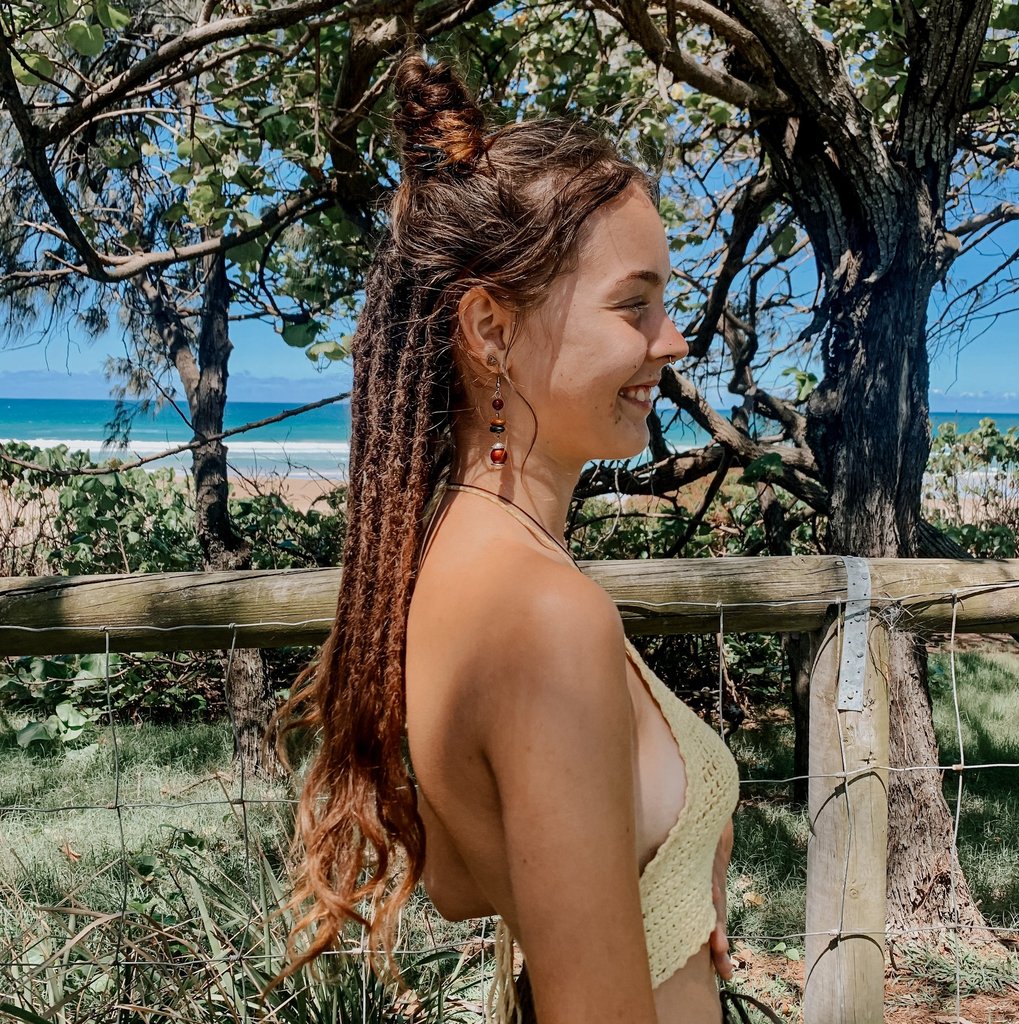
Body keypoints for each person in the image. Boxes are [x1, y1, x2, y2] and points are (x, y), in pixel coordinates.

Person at [278, 53, 770, 1024]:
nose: (671, 341)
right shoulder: (542, 613)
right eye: (635, 304)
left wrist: (675, 874)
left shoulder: (462, 568)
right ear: (490, 330)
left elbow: (467, 879)